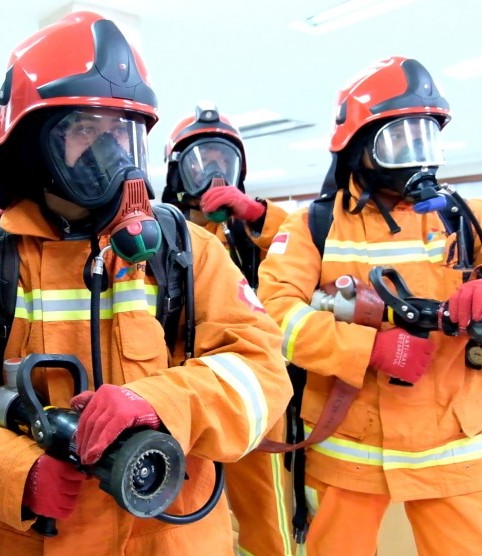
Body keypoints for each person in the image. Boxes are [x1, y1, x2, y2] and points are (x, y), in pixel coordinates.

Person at [0, 11, 292, 555]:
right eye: (85, 128)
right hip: (34, 537)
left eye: (122, 131)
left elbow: (264, 374)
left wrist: (159, 402)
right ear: (33, 141)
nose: (112, 152)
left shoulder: (186, 251)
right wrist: (18, 475)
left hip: (171, 532)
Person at [256, 55, 482, 555]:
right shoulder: (312, 228)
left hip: (456, 452)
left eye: (426, 137)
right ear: (359, 146)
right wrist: (367, 349)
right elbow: (274, 315)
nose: (417, 155)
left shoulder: (472, 219)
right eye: (399, 139)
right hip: (351, 449)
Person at [162, 103, 293, 555]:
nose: (215, 175)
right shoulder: (157, 234)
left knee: (265, 508)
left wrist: (255, 215)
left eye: (225, 162)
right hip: (186, 395)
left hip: (252, 399)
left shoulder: (253, 233)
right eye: (202, 163)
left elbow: (307, 247)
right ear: (178, 174)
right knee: (185, 510)